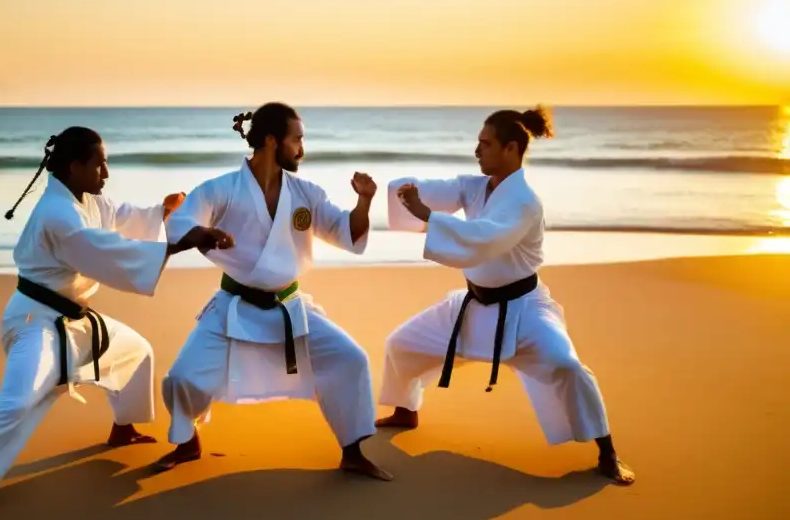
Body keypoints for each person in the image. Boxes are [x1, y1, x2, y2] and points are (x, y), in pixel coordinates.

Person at [0, 126, 233, 520]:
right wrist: (180, 243)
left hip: (73, 318)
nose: (106, 173)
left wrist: (160, 212)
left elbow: (120, 217)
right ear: (75, 166)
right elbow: (104, 249)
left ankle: (122, 429)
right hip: (34, 321)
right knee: (17, 403)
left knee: (136, 351)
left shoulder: (84, 198)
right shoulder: (58, 216)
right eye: (100, 165)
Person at [376, 106, 635, 485]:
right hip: (473, 305)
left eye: (485, 143)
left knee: (566, 366)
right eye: (478, 142)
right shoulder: (475, 186)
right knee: (400, 344)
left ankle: (607, 452)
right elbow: (440, 191)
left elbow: (485, 237)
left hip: (525, 310)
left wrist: (428, 216)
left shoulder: (524, 203)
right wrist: (406, 191)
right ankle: (405, 410)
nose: (477, 150)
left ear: (511, 148)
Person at [153, 102, 392, 480]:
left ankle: (352, 450)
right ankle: (187, 442)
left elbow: (345, 231)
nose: (302, 148)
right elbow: (181, 224)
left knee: (351, 359)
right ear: (270, 140)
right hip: (234, 305)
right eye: (296, 139)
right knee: (183, 377)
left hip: (289, 306)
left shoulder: (306, 193)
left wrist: (364, 201)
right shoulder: (221, 190)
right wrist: (207, 233)